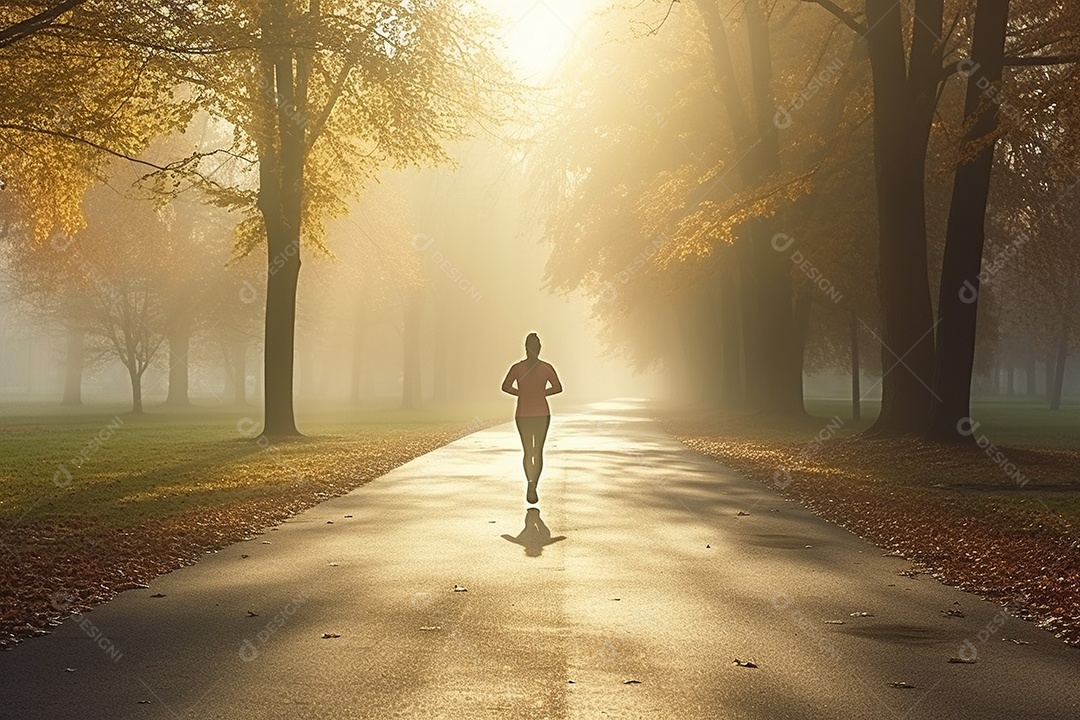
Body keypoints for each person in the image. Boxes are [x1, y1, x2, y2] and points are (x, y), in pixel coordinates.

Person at [501, 333, 562, 504]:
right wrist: (543, 392)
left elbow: (505, 386)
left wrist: (519, 392)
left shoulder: (517, 368)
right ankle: (534, 484)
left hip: (523, 414)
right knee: (538, 451)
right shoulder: (546, 368)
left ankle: (529, 482)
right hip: (542, 414)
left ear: (526, 348)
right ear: (539, 348)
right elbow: (558, 387)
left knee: (528, 451)